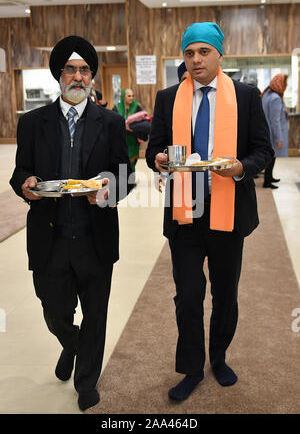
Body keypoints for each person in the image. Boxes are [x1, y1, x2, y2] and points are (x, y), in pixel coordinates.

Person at [146, 22, 273, 402]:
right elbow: (153, 151)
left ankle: (218, 357)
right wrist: (161, 160)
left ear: (220, 54)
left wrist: (239, 169)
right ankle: (190, 368)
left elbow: (263, 152)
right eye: (189, 53)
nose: (196, 60)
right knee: (187, 295)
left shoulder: (247, 97)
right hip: (185, 214)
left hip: (228, 212)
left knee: (225, 294)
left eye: (203, 52)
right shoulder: (168, 98)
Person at [10, 35, 133, 411]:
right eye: (71, 69)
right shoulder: (32, 123)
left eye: (85, 70)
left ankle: (86, 382)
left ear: (91, 77)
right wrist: (26, 186)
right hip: (50, 238)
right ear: (59, 75)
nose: (78, 77)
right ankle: (72, 343)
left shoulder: (112, 122)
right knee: (53, 310)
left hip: (95, 236)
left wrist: (109, 189)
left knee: (96, 314)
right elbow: (21, 172)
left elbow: (126, 175)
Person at [261, 73, 288, 189]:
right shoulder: (275, 98)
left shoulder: (267, 94)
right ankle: (267, 181)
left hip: (266, 131)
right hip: (272, 134)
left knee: (270, 157)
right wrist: (279, 138)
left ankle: (269, 177)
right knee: (271, 157)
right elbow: (275, 121)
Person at [113, 89, 143, 173]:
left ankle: (131, 180)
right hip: (121, 139)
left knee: (132, 160)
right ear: (123, 97)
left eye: (132, 96)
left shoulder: (137, 106)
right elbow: (113, 122)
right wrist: (123, 127)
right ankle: (124, 180)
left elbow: (142, 121)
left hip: (133, 139)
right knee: (122, 160)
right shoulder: (117, 107)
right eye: (129, 96)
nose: (131, 98)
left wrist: (134, 127)